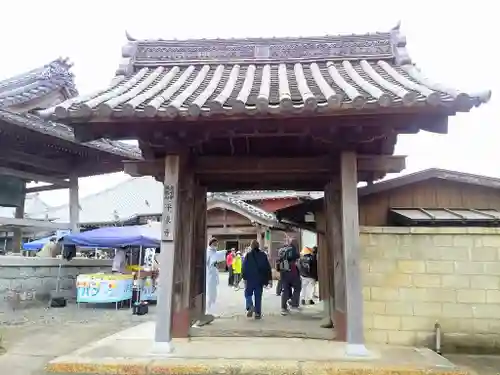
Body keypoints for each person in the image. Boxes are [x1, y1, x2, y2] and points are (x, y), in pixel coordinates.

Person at [242, 240, 272, 319]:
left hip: (250, 279)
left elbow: (244, 267)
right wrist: (269, 279)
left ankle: (250, 305)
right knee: (258, 296)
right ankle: (258, 313)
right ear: (258, 246)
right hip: (260, 279)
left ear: (251, 246)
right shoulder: (263, 255)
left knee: (247, 293)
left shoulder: (248, 255)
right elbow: (267, 268)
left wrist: (244, 278)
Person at [277, 238, 301, 315]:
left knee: (285, 289)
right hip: (292, 271)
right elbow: (297, 257)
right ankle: (294, 303)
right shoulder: (293, 250)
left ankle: (283, 308)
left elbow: (280, 259)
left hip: (284, 271)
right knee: (297, 287)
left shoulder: (282, 250)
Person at [205, 237, 227, 316]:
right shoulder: (208, 252)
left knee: (214, 294)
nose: (216, 246)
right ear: (211, 244)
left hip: (213, 275)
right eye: (214, 244)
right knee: (210, 294)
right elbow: (207, 262)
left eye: (216, 244)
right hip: (209, 275)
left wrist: (225, 252)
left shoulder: (213, 251)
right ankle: (208, 311)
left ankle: (212, 311)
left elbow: (218, 254)